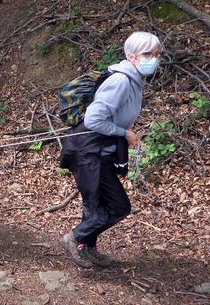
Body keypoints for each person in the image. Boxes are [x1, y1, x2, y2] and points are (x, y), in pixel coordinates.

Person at [59, 31, 163, 268]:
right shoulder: (121, 81)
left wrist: (122, 134)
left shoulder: (135, 79)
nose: (153, 59)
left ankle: (87, 248)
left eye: (156, 54)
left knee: (97, 203)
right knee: (118, 206)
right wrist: (123, 133)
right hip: (86, 149)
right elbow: (94, 119)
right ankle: (74, 239)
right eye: (147, 54)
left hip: (98, 148)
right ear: (131, 56)